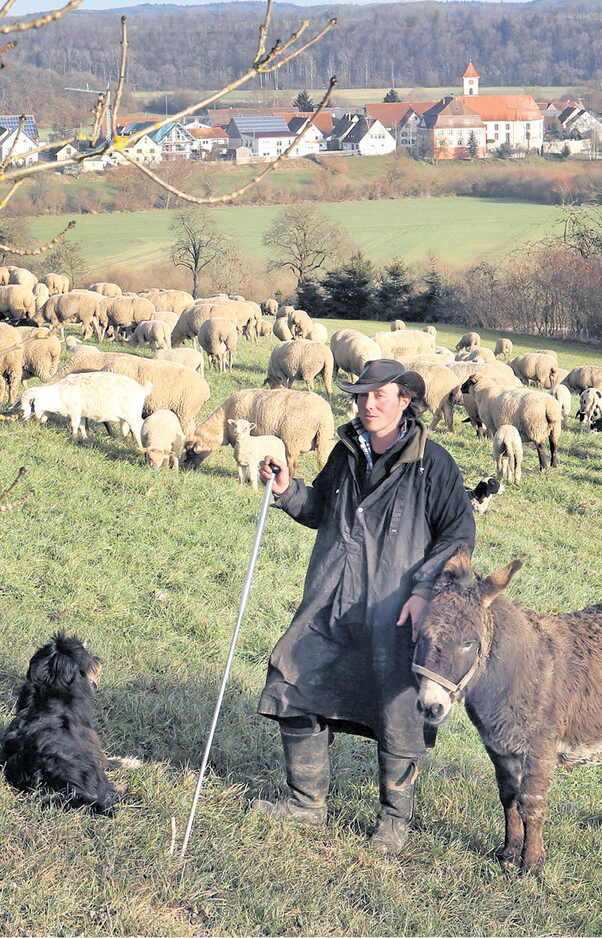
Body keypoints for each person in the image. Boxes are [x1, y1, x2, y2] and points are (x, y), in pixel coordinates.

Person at [253, 357, 475, 853]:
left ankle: (394, 820)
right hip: (332, 596)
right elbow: (320, 511)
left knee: (397, 708)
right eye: (361, 395)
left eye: (380, 395)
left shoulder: (432, 464)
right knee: (294, 677)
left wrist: (422, 592)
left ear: (406, 401)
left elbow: (459, 534)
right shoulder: (347, 452)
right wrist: (288, 489)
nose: (368, 404)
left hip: (395, 609)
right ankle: (305, 803)